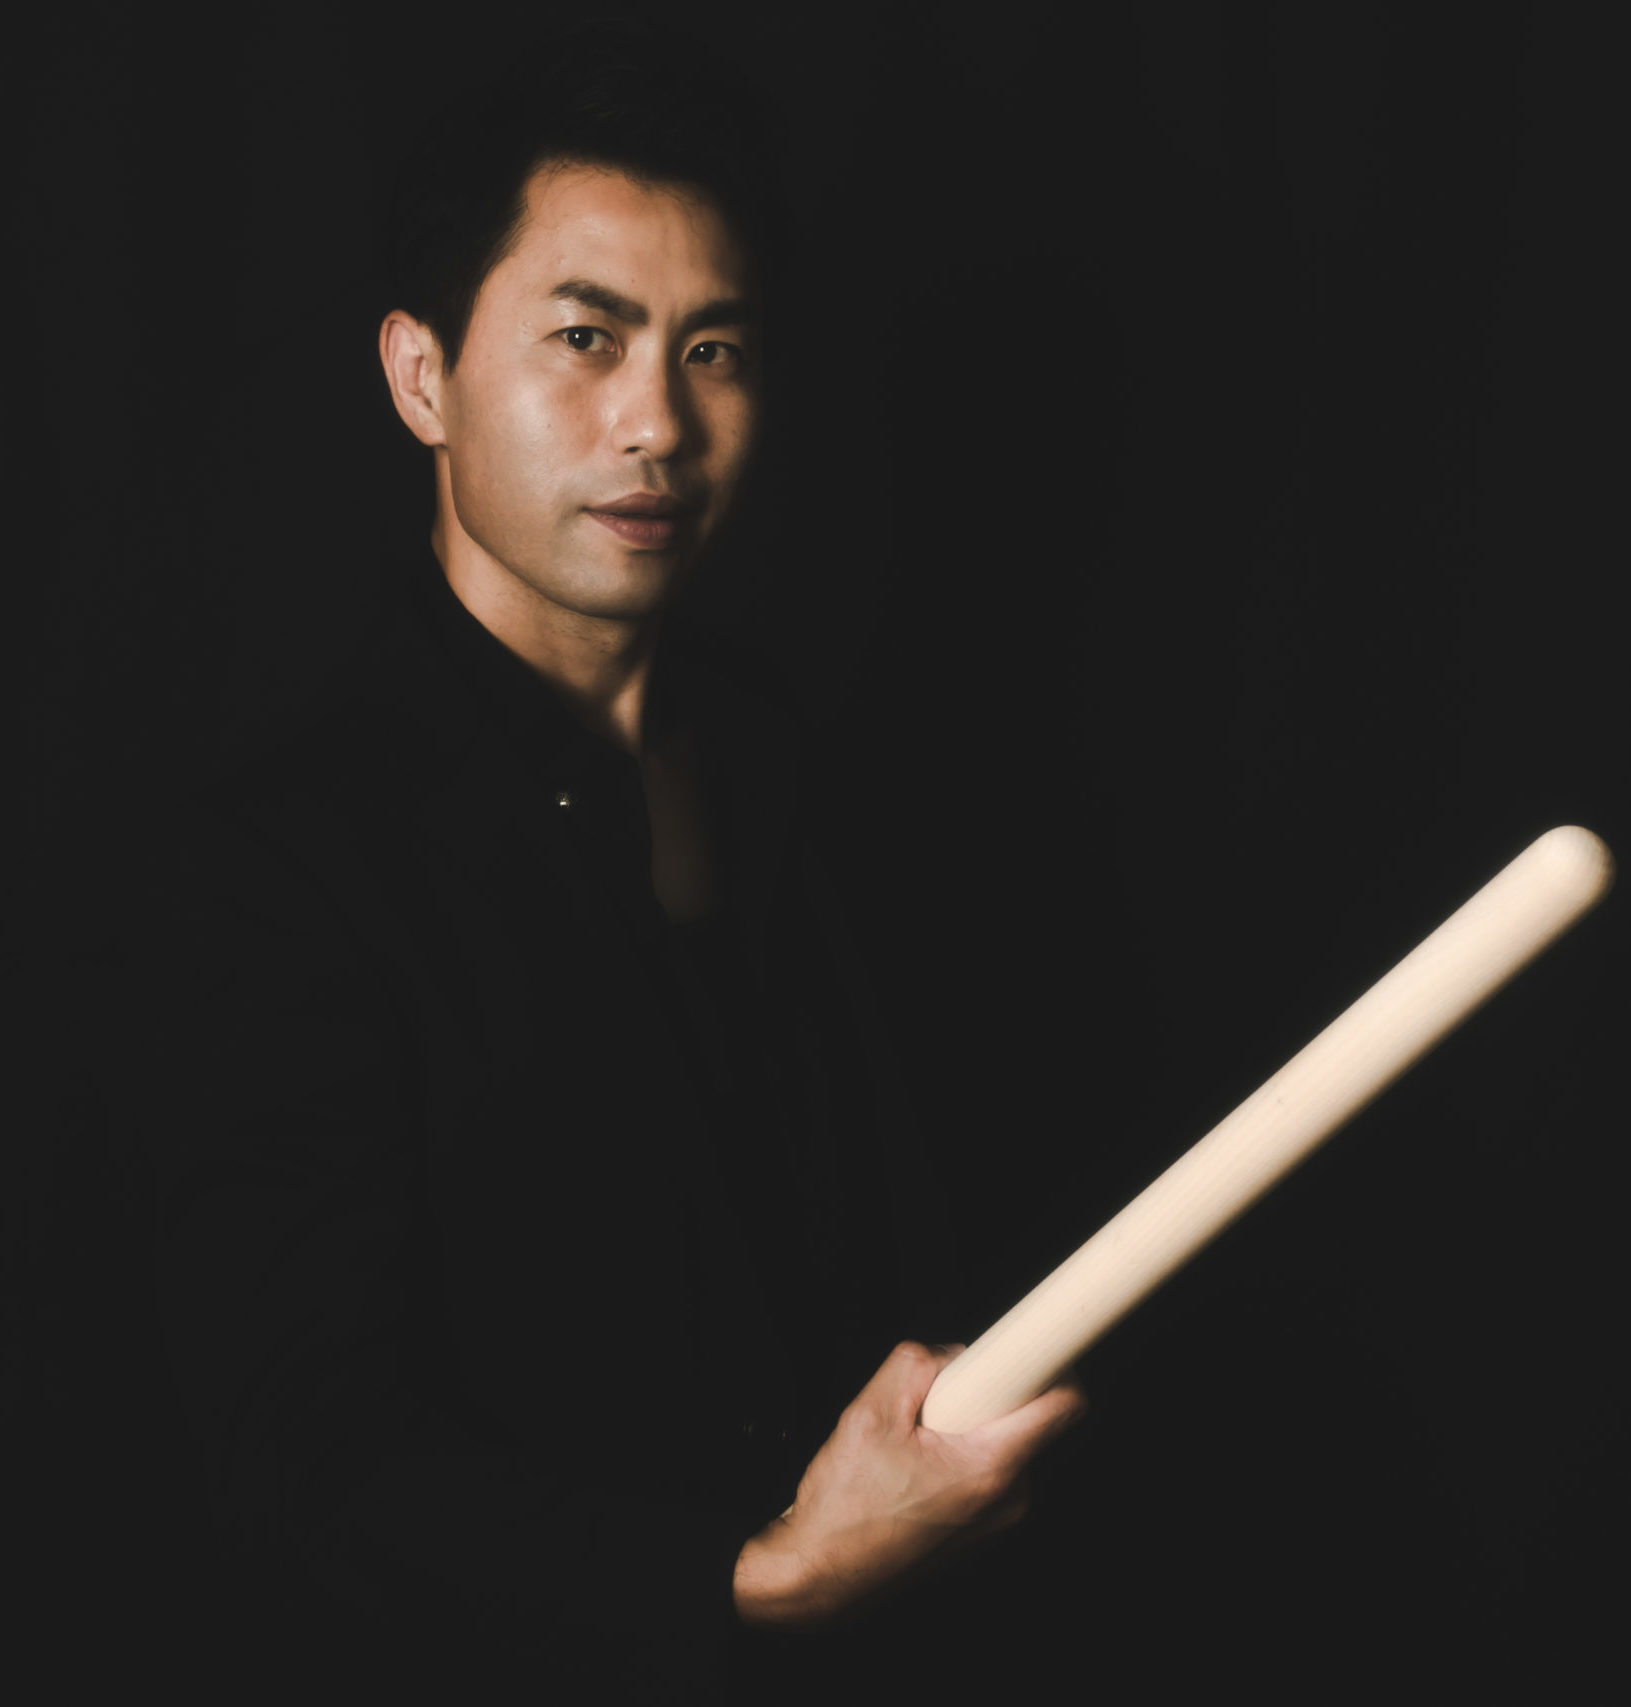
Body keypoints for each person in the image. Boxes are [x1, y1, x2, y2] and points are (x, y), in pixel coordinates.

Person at [122, 26, 1084, 1701]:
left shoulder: (794, 771)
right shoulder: (275, 873)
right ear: (422, 378)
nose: (659, 424)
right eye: (586, 338)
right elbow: (305, 1466)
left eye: (714, 350)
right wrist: (763, 1582)